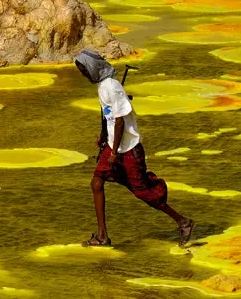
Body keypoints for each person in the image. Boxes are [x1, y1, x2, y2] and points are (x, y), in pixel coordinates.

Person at [74, 49, 194, 247]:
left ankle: (183, 221)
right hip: (113, 147)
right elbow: (109, 117)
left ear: (93, 67)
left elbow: (120, 121)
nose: (82, 73)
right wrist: (104, 138)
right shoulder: (103, 87)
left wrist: (113, 153)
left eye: (83, 69)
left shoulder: (112, 87)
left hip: (128, 149)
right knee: (96, 183)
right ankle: (102, 235)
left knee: (142, 192)